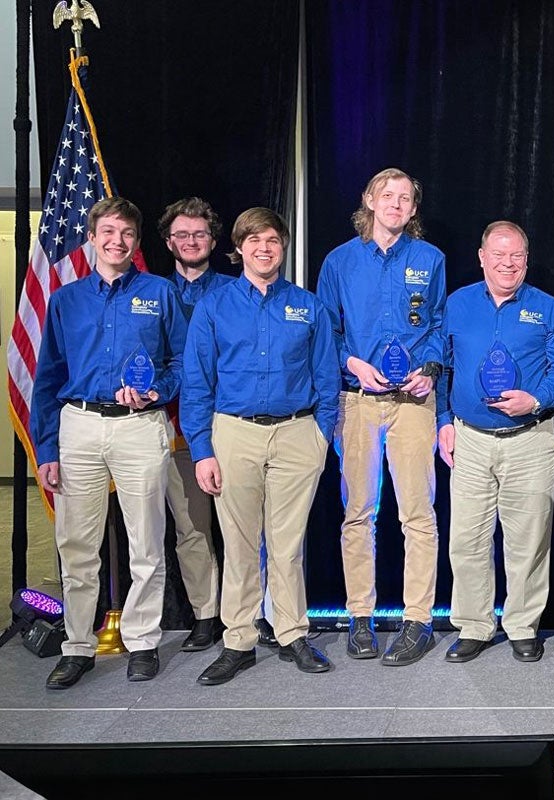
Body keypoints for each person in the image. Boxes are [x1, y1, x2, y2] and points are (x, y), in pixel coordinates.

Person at [33, 197, 187, 688]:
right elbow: (48, 376)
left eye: (126, 234)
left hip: (139, 426)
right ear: (93, 237)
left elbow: (183, 362)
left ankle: (142, 642)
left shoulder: (160, 293)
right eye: (109, 232)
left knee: (145, 541)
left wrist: (156, 391)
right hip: (78, 425)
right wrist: (47, 449)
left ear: (137, 242)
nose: (117, 241)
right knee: (76, 544)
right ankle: (78, 645)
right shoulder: (66, 299)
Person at [184, 207, 340, 685]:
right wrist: (202, 449)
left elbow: (327, 376)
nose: (264, 249)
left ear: (283, 246)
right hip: (234, 433)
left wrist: (321, 435)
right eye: (254, 241)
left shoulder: (308, 306)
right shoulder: (214, 306)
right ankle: (239, 640)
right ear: (239, 248)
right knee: (240, 543)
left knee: (288, 544)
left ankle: (292, 632)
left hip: (297, 434)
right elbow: (196, 381)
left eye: (272, 240)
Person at [315, 167, 445, 665]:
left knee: (418, 514)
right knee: (358, 512)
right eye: (387, 195)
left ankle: (418, 621)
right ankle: (360, 619)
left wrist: (430, 369)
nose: (395, 203)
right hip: (358, 400)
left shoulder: (429, 259)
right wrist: (351, 362)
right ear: (369, 200)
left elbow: (437, 325)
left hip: (414, 403)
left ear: (413, 209)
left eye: (405, 197)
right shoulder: (339, 262)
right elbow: (326, 331)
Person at [436, 221, 554, 664]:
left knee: (528, 540)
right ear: (482, 257)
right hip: (470, 439)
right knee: (467, 539)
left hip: (530, 439)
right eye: (499, 254)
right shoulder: (457, 304)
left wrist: (535, 400)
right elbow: (443, 368)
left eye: (516, 256)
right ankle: (473, 625)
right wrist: (442, 420)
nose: (507, 263)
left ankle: (522, 625)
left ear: (526, 260)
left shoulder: (548, 309)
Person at [158, 197, 233, 652]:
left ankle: (255, 613)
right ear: (169, 242)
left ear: (213, 239)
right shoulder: (151, 294)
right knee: (192, 528)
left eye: (199, 234)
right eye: (182, 235)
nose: (190, 241)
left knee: (250, 529)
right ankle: (206, 615)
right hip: (176, 429)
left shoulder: (234, 292)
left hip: (233, 423)